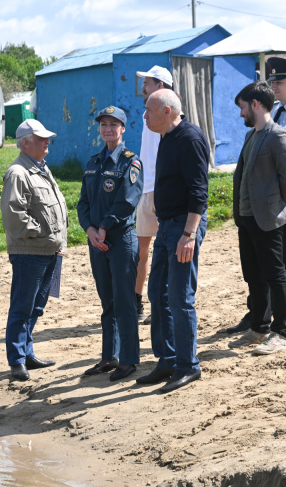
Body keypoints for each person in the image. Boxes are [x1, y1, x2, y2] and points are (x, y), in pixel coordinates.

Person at [223, 57, 286, 334]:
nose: (274, 87)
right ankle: (259, 312)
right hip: (265, 190)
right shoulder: (273, 110)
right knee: (262, 254)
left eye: (279, 82)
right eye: (273, 82)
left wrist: (281, 192)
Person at [136, 89, 209, 394]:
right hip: (167, 225)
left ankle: (187, 365)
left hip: (183, 227)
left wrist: (189, 235)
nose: (145, 116)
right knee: (158, 292)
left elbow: (199, 191)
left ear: (167, 111)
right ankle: (167, 359)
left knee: (180, 296)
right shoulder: (166, 136)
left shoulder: (190, 138)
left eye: (149, 110)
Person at [228, 81, 286, 354]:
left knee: (275, 274)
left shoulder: (278, 136)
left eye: (242, 107)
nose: (240, 113)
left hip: (267, 217)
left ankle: (281, 332)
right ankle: (259, 327)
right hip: (246, 218)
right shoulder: (251, 136)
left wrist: (279, 205)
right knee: (253, 275)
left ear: (255, 104)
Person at [77, 106, 143, 382]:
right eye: (104, 124)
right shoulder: (93, 162)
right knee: (107, 301)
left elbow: (127, 201)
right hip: (97, 241)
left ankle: (128, 360)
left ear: (123, 129)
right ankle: (109, 356)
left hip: (120, 239)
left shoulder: (131, 162)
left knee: (125, 301)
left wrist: (103, 227)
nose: (108, 129)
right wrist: (90, 229)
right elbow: (83, 203)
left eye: (114, 124)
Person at [0, 119, 68, 381]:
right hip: (30, 252)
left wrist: (56, 240)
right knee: (22, 306)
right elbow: (14, 216)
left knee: (36, 307)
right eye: (41, 138)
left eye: (47, 137)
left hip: (49, 250)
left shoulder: (40, 167)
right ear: (26, 142)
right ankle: (17, 360)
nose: (47, 141)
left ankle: (26, 353)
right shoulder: (18, 172)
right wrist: (43, 232)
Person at [134, 65, 174, 324]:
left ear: (160, 86)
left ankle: (163, 300)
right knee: (142, 251)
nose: (143, 87)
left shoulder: (169, 119)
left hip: (162, 191)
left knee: (166, 250)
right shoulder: (149, 116)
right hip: (144, 189)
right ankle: (137, 303)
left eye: (146, 82)